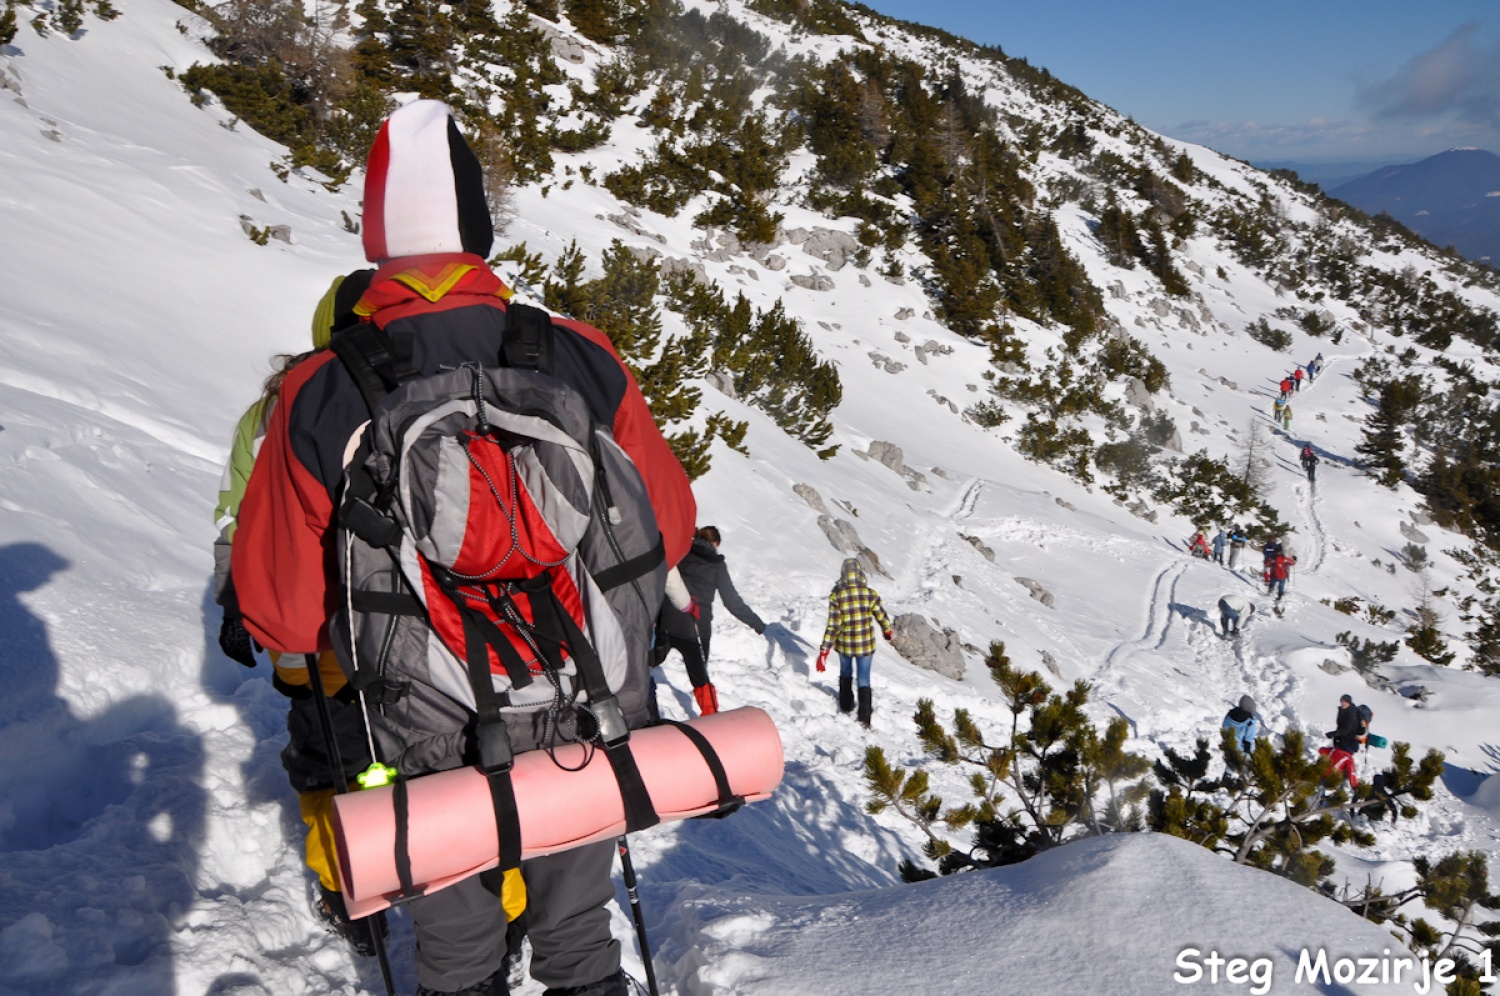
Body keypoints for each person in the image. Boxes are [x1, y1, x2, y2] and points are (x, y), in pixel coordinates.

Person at [232, 100, 697, 996]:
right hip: (582, 691)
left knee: (456, 947)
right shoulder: (578, 356)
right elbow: (665, 526)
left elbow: (280, 611)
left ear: (374, 234)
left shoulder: (322, 389)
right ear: (479, 228)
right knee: (578, 931)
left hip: (422, 721)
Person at [212, 270, 382, 954]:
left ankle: (349, 891)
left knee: (330, 761)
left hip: (310, 630)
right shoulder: (421, 386)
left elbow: (237, 518)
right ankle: (488, 902)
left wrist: (234, 599)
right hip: (416, 631)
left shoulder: (275, 410)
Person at [654, 525, 767, 718]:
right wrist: (758, 624)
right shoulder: (716, 566)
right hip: (695, 628)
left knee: (650, 661)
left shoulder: (683, 553)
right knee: (700, 678)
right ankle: (710, 716)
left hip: (667, 621)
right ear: (715, 543)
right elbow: (732, 601)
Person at [817, 558, 893, 728]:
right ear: (860, 573)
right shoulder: (870, 594)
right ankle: (864, 717)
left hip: (845, 644)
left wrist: (824, 650)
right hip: (865, 644)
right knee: (864, 678)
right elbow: (881, 616)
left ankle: (846, 704)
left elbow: (833, 625)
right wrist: (887, 630)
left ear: (843, 574)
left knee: (846, 672)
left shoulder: (837, 595)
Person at [1320, 694, 1364, 787]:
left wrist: (1333, 734)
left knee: (1340, 763)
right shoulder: (1343, 710)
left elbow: (1346, 730)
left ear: (1349, 703)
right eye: (1342, 701)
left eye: (1345, 702)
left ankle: (1341, 785)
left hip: (1348, 742)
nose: (1343, 703)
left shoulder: (1352, 714)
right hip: (1341, 741)